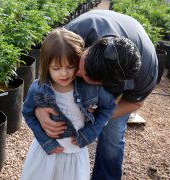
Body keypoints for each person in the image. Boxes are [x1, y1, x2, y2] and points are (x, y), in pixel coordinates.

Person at [35, 10, 158, 180]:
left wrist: (99, 118)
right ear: (88, 49)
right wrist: (40, 108)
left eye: (82, 75)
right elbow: (47, 69)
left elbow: (135, 103)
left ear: (102, 84)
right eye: (79, 64)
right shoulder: (76, 32)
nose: (73, 73)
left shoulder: (146, 73)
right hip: (96, 26)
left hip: (125, 73)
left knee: (112, 137)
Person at [21, 28, 116, 180]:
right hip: (46, 153)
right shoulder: (38, 88)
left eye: (70, 66)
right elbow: (27, 112)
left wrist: (90, 133)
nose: (64, 74)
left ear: (79, 61)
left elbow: (108, 106)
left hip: (75, 153)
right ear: (46, 65)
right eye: (56, 68)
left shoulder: (91, 87)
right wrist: (44, 140)